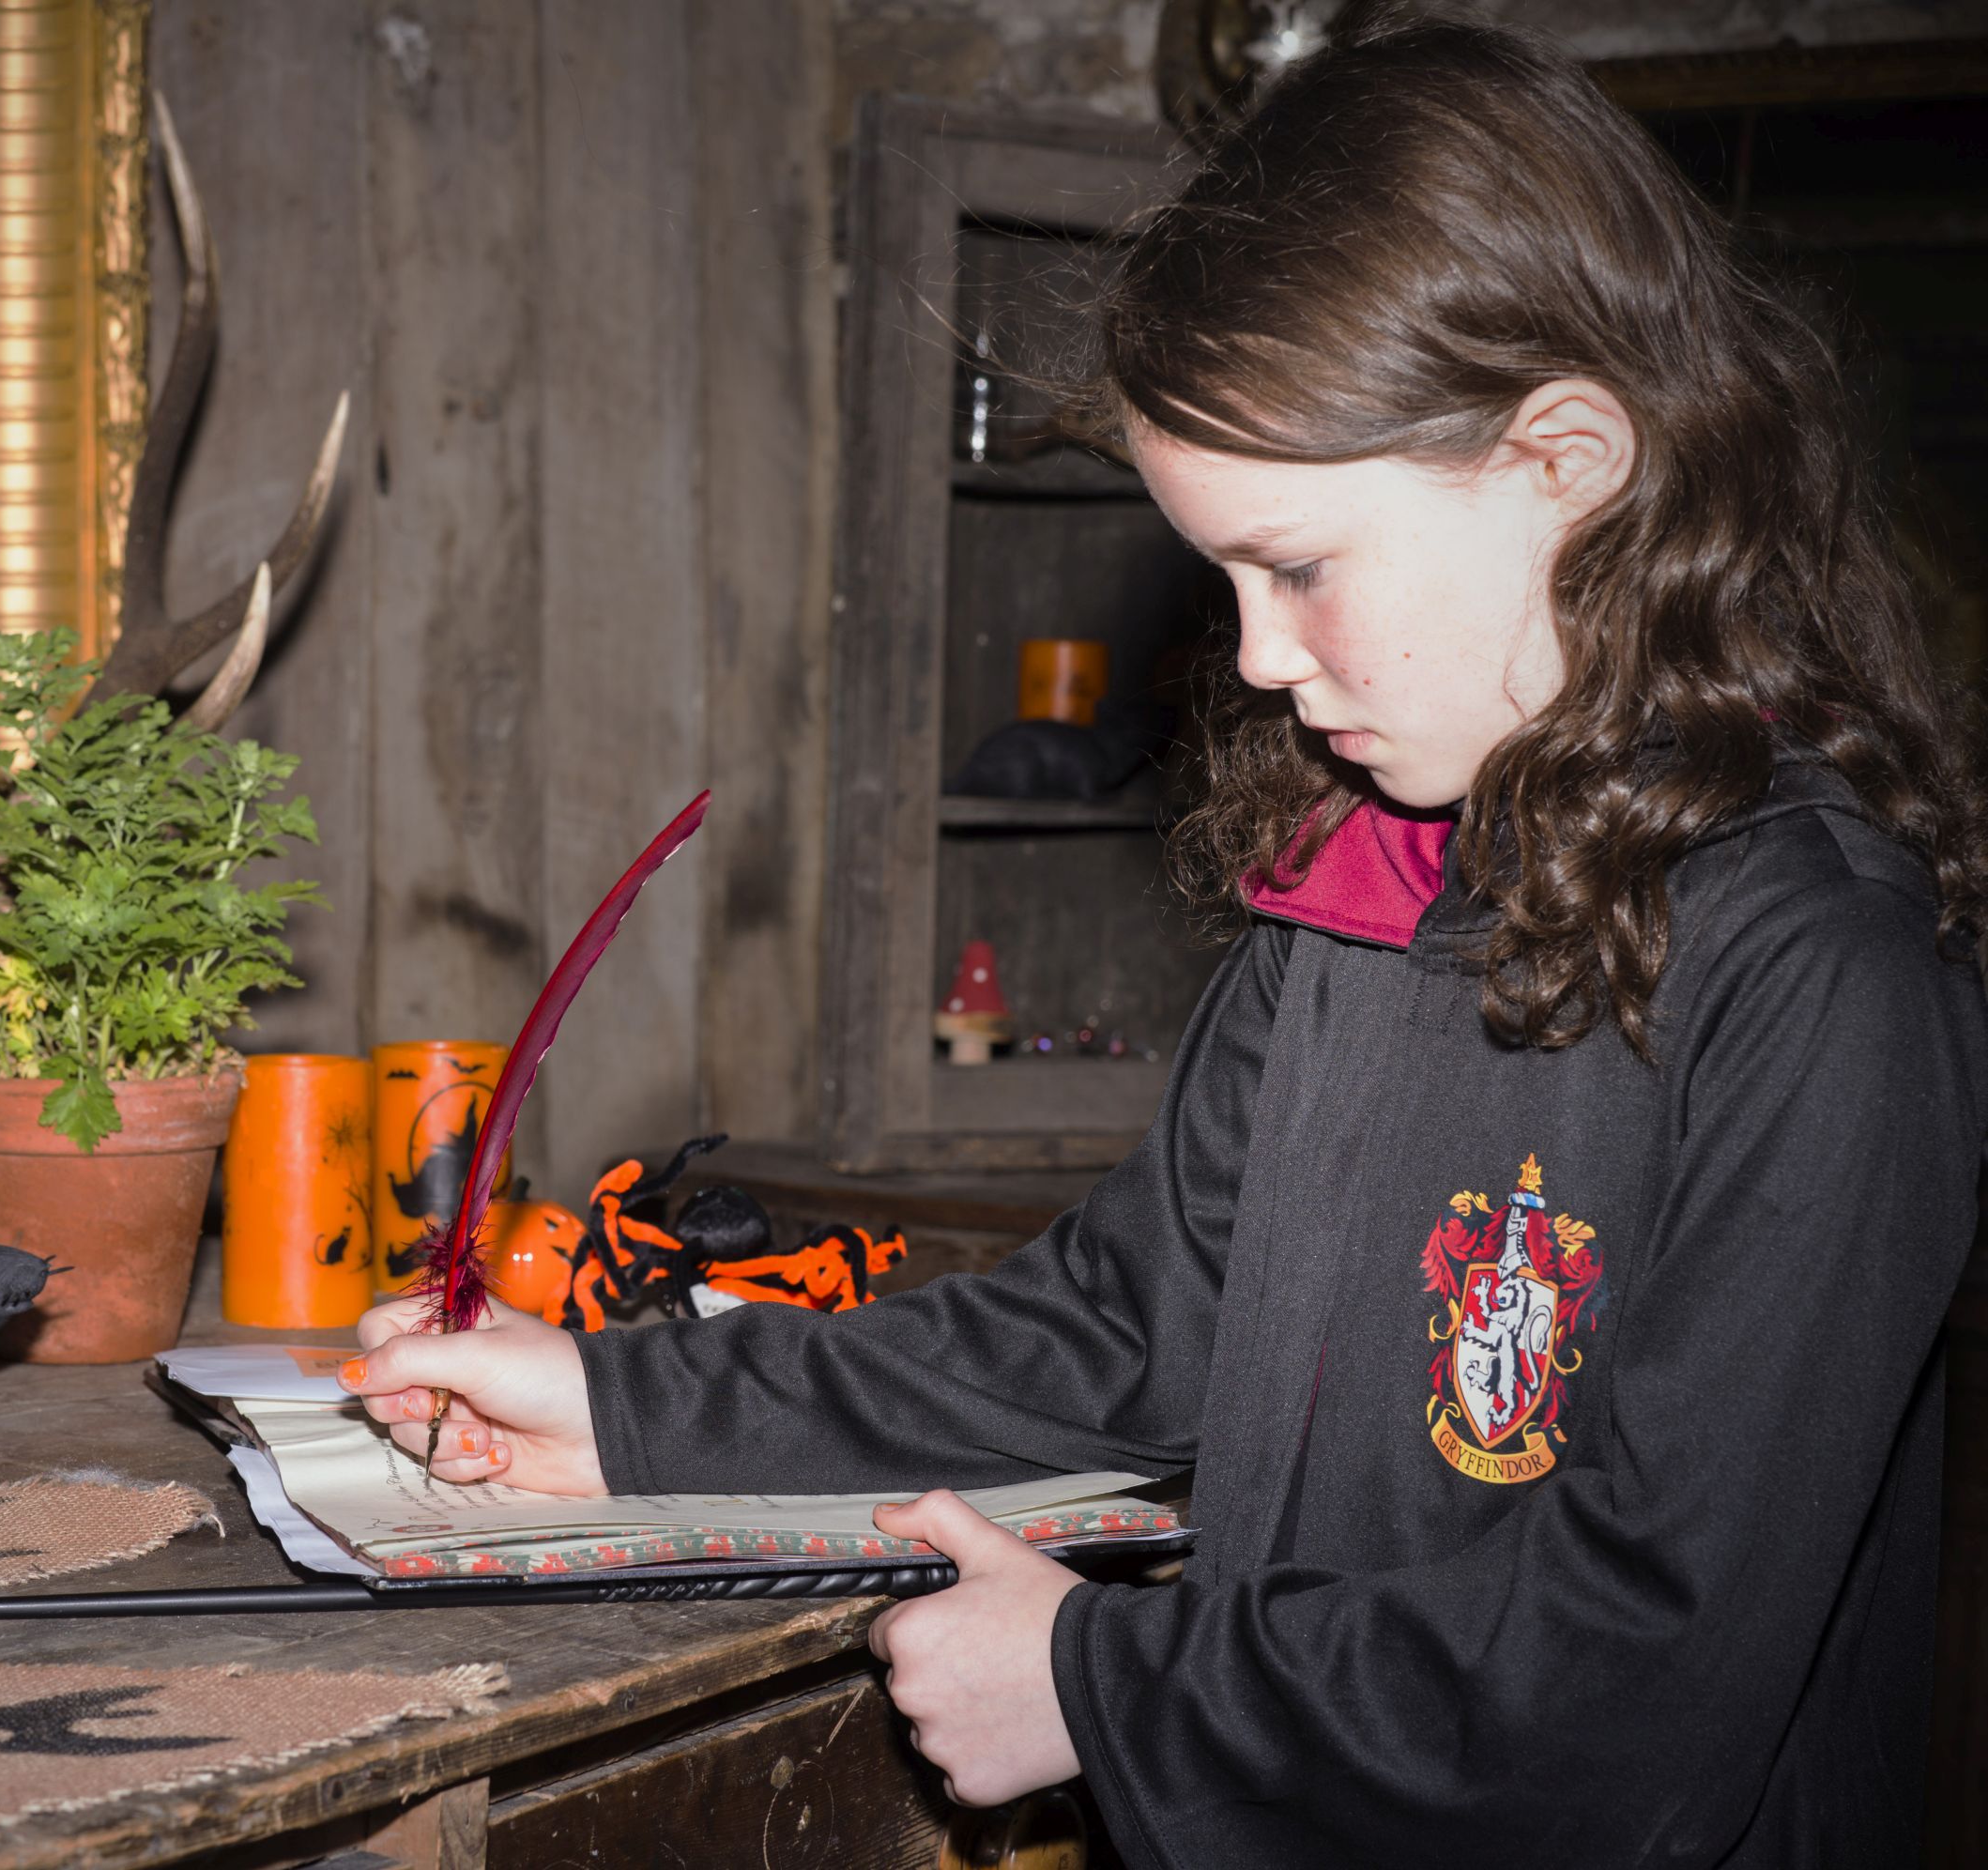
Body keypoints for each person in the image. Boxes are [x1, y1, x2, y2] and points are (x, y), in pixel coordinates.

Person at [339, 11, 1988, 1864]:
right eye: (1224, 579)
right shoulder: (1368, 885)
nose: (1263, 659)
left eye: (1295, 566)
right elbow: (1114, 1327)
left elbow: (1631, 1705)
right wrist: (619, 1409)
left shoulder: (1823, 975)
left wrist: (1101, 1689)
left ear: (1567, 465)